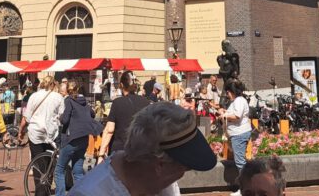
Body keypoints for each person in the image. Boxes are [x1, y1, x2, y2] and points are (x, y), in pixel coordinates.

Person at [70, 101, 217, 196]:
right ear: (160, 165)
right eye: (184, 168)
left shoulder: (163, 185)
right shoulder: (90, 192)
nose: (182, 175)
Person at [56, 80, 99, 196]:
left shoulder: (69, 100)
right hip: (84, 138)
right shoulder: (84, 101)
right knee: (78, 170)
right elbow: (92, 114)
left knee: (59, 170)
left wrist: (60, 117)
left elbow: (65, 120)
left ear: (68, 91)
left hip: (72, 139)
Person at [98, 71, 150, 162]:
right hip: (141, 150)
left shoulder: (117, 103)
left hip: (120, 151)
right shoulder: (145, 102)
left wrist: (101, 154)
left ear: (121, 85)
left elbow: (110, 130)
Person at [20, 74, 65, 163]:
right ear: (53, 84)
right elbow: (61, 116)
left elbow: (26, 117)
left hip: (35, 132)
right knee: (50, 161)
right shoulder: (58, 97)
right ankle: (49, 174)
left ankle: (38, 176)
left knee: (37, 161)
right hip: (51, 132)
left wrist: (20, 132)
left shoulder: (34, 96)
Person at [221, 80, 253, 196]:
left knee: (240, 162)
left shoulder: (239, 101)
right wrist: (225, 112)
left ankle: (245, 189)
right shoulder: (239, 100)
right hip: (239, 133)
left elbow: (237, 115)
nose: (227, 94)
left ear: (231, 91)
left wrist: (224, 115)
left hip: (239, 134)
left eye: (228, 92)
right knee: (240, 161)